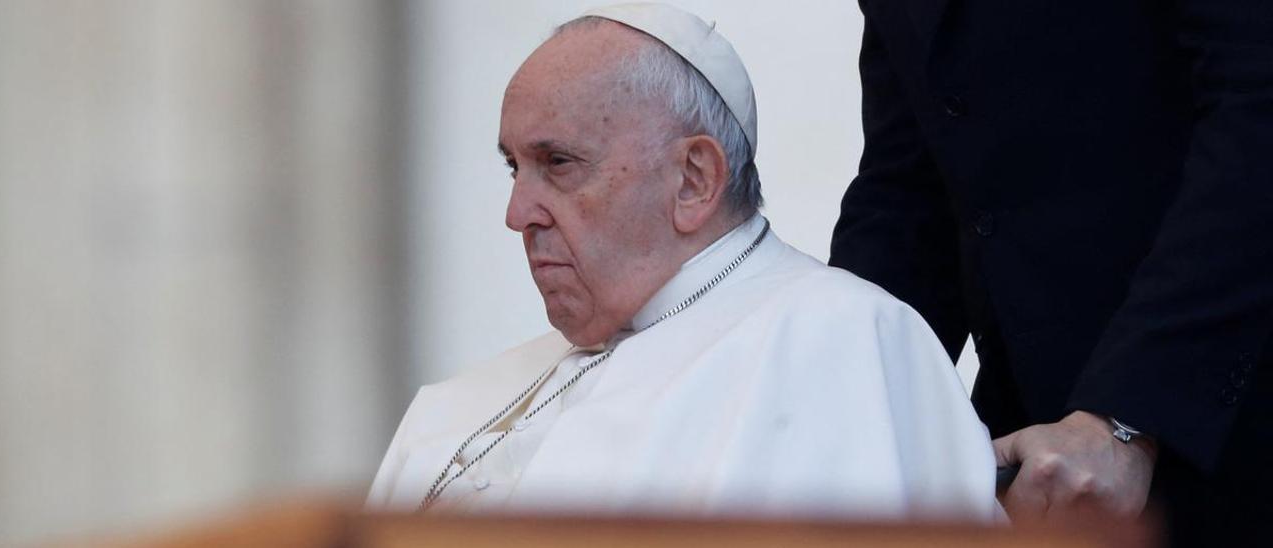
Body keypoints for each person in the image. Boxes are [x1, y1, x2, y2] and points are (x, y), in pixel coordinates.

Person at [367, 3, 998, 521]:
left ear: (694, 179)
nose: (517, 212)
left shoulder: (839, 340)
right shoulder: (468, 398)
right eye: (514, 166)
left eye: (558, 163)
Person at [828, 1, 1272, 545]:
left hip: (1218, 419)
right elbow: (909, 183)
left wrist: (1126, 420)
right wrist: (829, 398)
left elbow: (1257, 111)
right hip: (1030, 451)